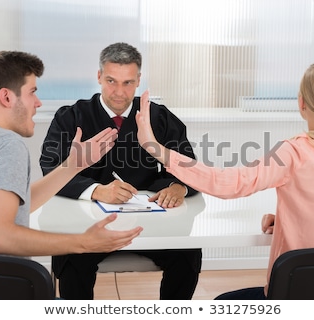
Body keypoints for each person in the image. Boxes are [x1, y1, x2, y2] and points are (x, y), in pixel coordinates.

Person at [136, 60, 314, 299]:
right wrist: (295, 218)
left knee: (221, 305)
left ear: (302, 103)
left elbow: (228, 183)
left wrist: (154, 146)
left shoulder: (294, 152)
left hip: (293, 297)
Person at [0, 51, 143, 261]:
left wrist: (72, 165)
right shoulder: (6, 145)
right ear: (7, 97)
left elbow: (19, 205)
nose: (38, 103)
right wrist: (84, 242)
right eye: (32, 92)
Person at [40, 42, 202, 300]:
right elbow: (50, 168)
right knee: (72, 257)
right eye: (111, 81)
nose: (118, 92)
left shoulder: (158, 117)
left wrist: (177, 187)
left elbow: (189, 165)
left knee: (187, 253)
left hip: (150, 224)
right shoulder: (71, 117)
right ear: (99, 77)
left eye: (128, 83)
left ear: (138, 80)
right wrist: (96, 191)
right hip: (87, 224)